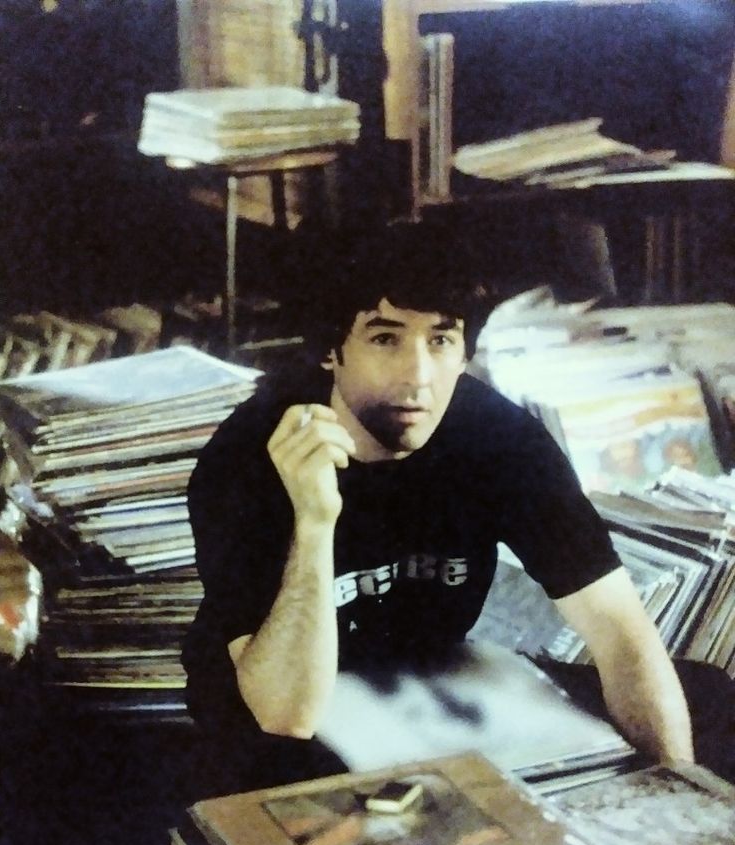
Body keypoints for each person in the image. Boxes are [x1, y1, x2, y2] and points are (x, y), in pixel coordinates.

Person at [182, 223, 733, 797]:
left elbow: (620, 631)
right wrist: (316, 522)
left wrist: (676, 802)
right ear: (331, 350)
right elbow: (285, 713)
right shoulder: (248, 458)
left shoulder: (498, 435)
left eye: (441, 341)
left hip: (432, 683)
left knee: (707, 697)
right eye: (385, 339)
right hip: (271, 702)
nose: (419, 376)